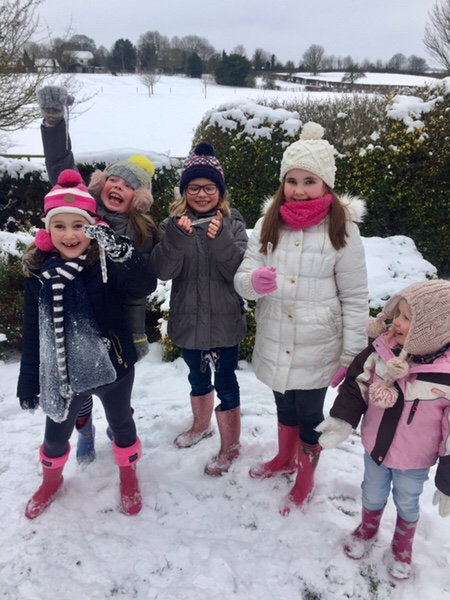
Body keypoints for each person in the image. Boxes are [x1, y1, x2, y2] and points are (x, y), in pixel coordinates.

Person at [234, 122, 368, 514]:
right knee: (284, 404)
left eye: (309, 181)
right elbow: (243, 277)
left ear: (326, 184)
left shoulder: (343, 232)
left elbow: (355, 298)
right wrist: (253, 282)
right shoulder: (268, 224)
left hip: (317, 345)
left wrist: (351, 355)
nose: (299, 189)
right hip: (276, 339)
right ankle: (284, 457)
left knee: (309, 414)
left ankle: (305, 475)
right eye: (291, 180)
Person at [17, 169, 157, 518]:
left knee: (122, 424)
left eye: (78, 225)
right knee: (54, 437)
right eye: (59, 225)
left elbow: (144, 285)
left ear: (92, 227)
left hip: (114, 368)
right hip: (64, 375)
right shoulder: (38, 276)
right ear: (47, 231)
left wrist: (122, 252)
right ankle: (51, 481)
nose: (69, 235)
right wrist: (28, 382)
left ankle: (128, 475)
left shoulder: (104, 262)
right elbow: (33, 335)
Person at [36, 86, 158, 464]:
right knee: (80, 393)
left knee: (117, 393)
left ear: (137, 199)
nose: (117, 187)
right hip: (75, 321)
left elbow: (140, 285)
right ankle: (85, 429)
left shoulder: (139, 233)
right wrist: (55, 121)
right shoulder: (83, 211)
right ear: (102, 184)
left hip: (115, 327)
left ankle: (119, 430)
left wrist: (135, 335)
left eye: (128, 186)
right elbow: (61, 167)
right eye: (114, 181)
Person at [316, 279, 450, 580]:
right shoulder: (380, 352)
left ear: (430, 329)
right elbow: (357, 384)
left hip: (414, 461)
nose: (396, 322)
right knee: (372, 492)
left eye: (407, 318)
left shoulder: (445, 376)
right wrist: (342, 419)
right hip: (375, 447)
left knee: (408, 500)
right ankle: (368, 528)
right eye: (397, 314)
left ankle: (402, 545)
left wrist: (448, 480)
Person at [150, 142, 248, 475]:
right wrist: (177, 239)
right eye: (194, 187)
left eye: (209, 187)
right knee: (196, 377)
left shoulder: (233, 223)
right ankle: (201, 425)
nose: (202, 194)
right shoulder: (171, 225)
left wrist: (220, 241)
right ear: (184, 191)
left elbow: (238, 272)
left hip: (224, 322)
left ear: (220, 191)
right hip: (188, 321)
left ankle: (230, 446)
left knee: (227, 382)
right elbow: (163, 271)